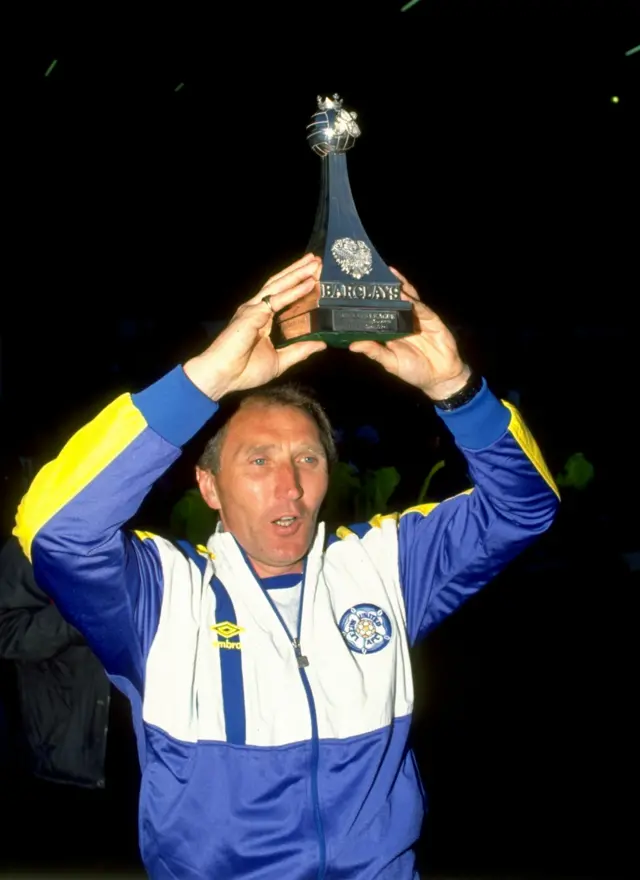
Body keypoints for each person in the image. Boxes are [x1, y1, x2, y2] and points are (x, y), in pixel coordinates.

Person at [13, 254, 559, 878]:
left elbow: (523, 509)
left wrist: (456, 389)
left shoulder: (386, 564)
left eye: (307, 460)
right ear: (209, 486)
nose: (289, 487)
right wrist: (204, 382)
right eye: (258, 461)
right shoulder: (161, 592)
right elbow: (54, 530)